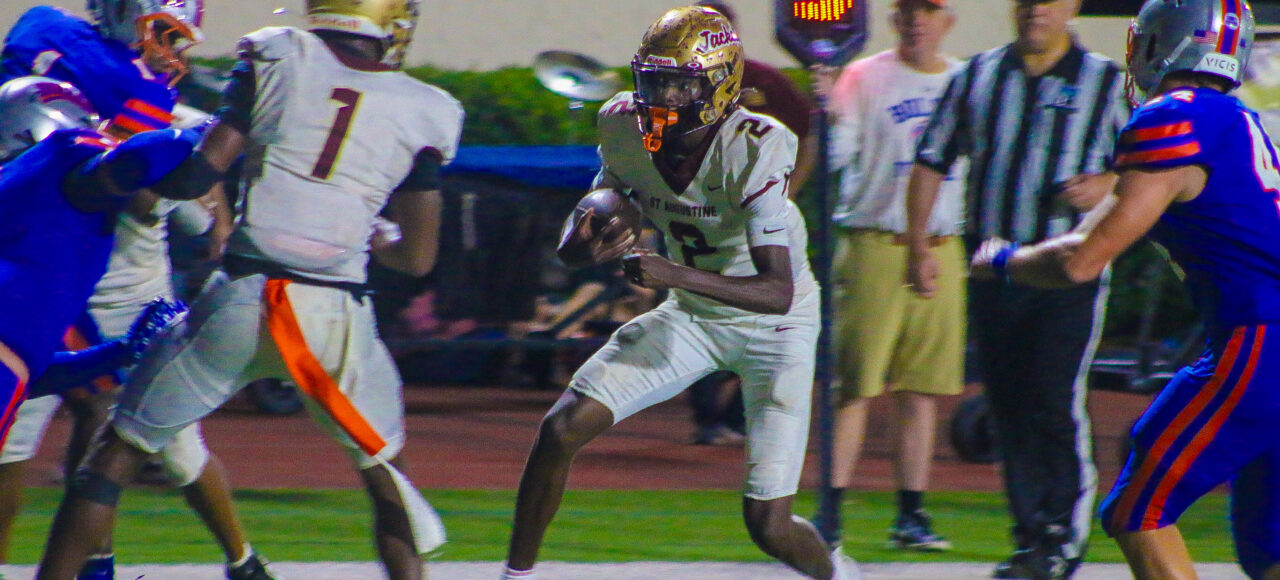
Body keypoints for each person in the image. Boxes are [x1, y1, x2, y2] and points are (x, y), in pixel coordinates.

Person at [36, 0, 463, 577]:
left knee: (111, 459)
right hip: (335, 315)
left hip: (241, 298)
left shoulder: (277, 52)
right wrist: (377, 232)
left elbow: (194, 176)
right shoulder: (430, 108)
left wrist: (124, 158)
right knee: (390, 485)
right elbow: (416, 258)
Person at [501, 7, 859, 580]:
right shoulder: (622, 123)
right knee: (561, 428)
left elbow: (777, 291)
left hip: (776, 326)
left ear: (718, 86)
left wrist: (672, 274)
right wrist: (587, 237)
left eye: (680, 84)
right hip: (693, 314)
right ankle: (514, 575)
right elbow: (579, 241)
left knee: (768, 526)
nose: (662, 97)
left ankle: (841, 575)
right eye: (654, 80)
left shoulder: (757, 143)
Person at [973, 2, 1279, 578]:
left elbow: (1081, 262)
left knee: (1139, 509)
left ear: (1162, 41)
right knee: (1269, 547)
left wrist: (1003, 260)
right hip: (1263, 336)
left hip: (1260, 340)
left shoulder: (1174, 117)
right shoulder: (1237, 122)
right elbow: (1093, 234)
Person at [0, 4, 268, 579]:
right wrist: (227, 127)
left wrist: (116, 354)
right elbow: (128, 174)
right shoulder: (71, 155)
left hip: (70, 310)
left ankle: (231, 560)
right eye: (163, 33)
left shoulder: (46, 46)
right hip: (86, 290)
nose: (172, 52)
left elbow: (27, 371)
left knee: (102, 422)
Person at [904, 0, 1129, 576]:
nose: (1036, 11)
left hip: (1067, 270)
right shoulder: (978, 75)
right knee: (1007, 403)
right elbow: (931, 159)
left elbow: (1146, 168)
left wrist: (1106, 181)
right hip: (994, 268)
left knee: (1052, 398)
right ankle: (1031, 538)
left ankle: (1063, 536)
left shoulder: (1106, 82)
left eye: (1048, 0)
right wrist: (918, 246)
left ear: (1072, 6)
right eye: (1027, 0)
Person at [819, 0, 963, 552]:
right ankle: (830, 512)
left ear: (947, 20)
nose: (916, 19)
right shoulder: (864, 76)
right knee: (856, 384)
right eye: (907, 9)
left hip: (942, 245)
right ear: (894, 18)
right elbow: (837, 156)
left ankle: (911, 514)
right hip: (876, 241)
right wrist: (825, 113)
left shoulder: (964, 81)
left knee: (921, 388)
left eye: (928, 8)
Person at [686, 0, 820, 446]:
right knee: (699, 313)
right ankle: (709, 416)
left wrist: (786, 195)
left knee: (768, 314)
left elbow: (807, 134)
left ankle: (740, 416)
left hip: (755, 223)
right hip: (699, 222)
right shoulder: (674, 86)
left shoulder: (763, 81)